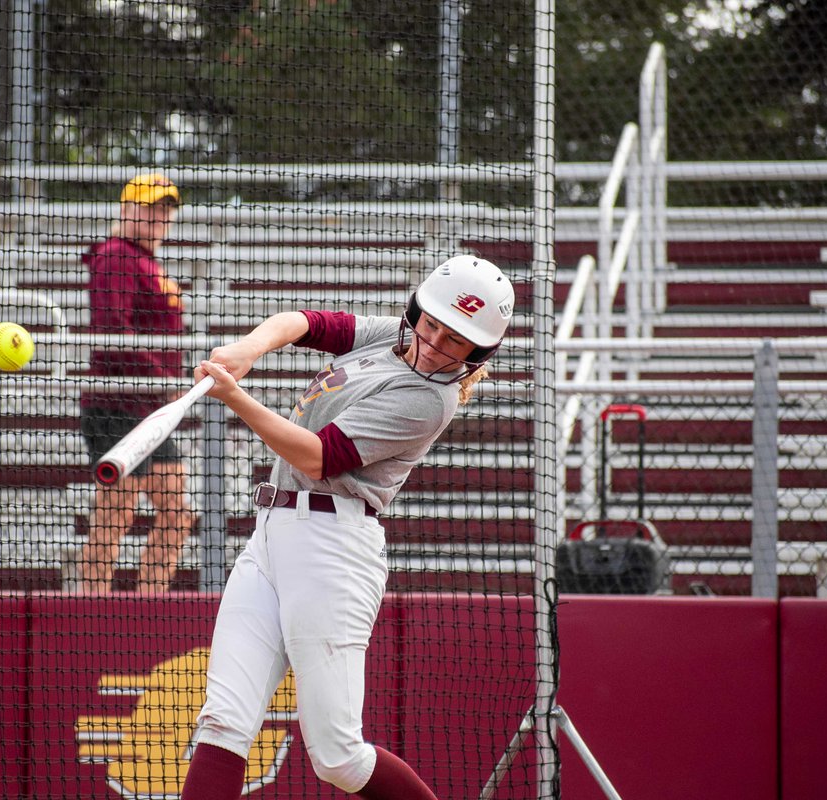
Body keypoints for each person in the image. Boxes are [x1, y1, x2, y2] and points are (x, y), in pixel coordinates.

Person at [179, 256, 515, 800]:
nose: (433, 344)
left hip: (331, 549)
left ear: (476, 353)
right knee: (222, 721)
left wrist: (235, 399)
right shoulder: (394, 337)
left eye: (455, 342)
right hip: (271, 534)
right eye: (430, 325)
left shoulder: (430, 399)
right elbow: (305, 322)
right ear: (416, 312)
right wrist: (247, 350)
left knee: (337, 756)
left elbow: (319, 457)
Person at [78, 173, 194, 594]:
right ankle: (89, 610)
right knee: (116, 513)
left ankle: (147, 607)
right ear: (126, 210)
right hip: (115, 405)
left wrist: (167, 383)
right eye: (148, 208)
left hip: (147, 409)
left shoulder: (145, 260)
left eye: (165, 210)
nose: (158, 217)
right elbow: (111, 330)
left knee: (177, 512)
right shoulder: (116, 256)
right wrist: (163, 380)